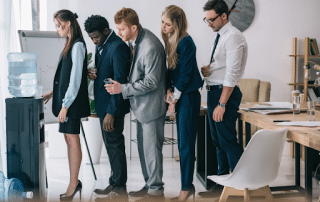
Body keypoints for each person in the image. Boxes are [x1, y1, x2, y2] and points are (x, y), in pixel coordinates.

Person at [106, 7, 167, 202]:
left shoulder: (150, 45)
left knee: (152, 152)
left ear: (133, 27)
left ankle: (156, 192)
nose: (118, 33)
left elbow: (152, 82)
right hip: (142, 107)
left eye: (121, 29)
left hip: (151, 108)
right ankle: (149, 186)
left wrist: (121, 89)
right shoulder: (138, 39)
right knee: (144, 150)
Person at [198, 0, 248, 198]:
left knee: (227, 141)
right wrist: (209, 69)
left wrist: (221, 104)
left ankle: (239, 187)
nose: (209, 24)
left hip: (223, 94)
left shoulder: (234, 37)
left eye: (211, 20)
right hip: (214, 91)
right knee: (218, 141)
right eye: (206, 20)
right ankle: (222, 187)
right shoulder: (220, 36)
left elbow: (232, 74)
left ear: (224, 16)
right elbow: (224, 66)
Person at [43, 9, 90, 201]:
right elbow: (66, 77)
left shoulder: (78, 45)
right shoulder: (70, 44)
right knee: (69, 141)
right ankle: (74, 182)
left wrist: (65, 105)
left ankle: (74, 184)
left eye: (58, 24)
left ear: (68, 23)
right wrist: (53, 93)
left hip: (71, 105)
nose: (57, 29)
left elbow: (76, 79)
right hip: (67, 102)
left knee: (73, 141)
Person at [84, 15, 131, 202]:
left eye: (96, 36)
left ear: (106, 31)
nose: (94, 41)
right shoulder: (102, 44)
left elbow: (120, 80)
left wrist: (111, 112)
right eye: (91, 38)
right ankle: (114, 183)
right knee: (111, 148)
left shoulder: (118, 47)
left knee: (115, 147)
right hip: (104, 106)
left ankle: (120, 190)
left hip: (113, 108)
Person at [161, 5, 203, 202]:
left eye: (167, 24)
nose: (163, 26)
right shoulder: (172, 41)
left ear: (177, 24)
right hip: (180, 95)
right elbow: (171, 73)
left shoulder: (186, 42)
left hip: (189, 96)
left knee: (185, 144)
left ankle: (186, 188)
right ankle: (187, 186)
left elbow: (185, 74)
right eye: (162, 22)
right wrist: (169, 90)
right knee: (183, 144)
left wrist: (174, 99)